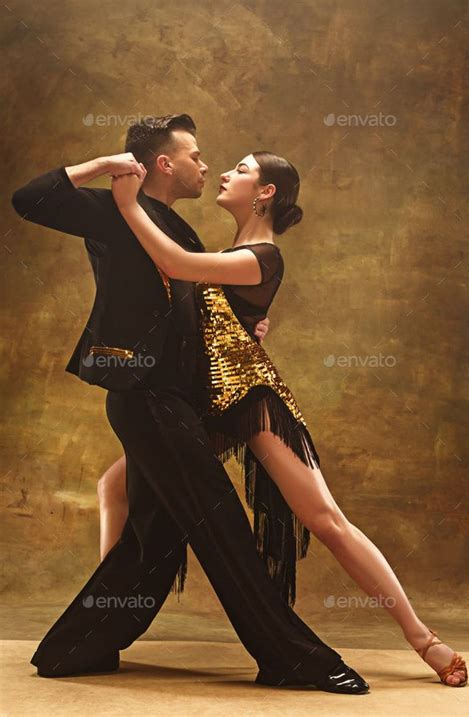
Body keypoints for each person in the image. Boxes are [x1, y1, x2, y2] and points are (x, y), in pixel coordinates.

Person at [11, 114, 369, 693]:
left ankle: (77, 646)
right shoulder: (110, 210)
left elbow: (201, 313)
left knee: (154, 539)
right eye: (196, 156)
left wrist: (251, 325)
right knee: (221, 524)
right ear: (163, 163)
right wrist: (104, 167)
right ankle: (290, 656)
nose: (206, 165)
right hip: (145, 397)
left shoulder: (181, 231)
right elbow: (28, 199)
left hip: (175, 401)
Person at [104, 150, 467, 689]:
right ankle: (105, 617)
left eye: (242, 170)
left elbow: (175, 264)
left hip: (253, 402)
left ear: (266, 192)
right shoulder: (236, 253)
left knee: (326, 522)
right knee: (114, 486)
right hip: (208, 406)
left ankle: (423, 639)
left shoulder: (263, 255)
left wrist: (126, 206)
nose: (225, 174)